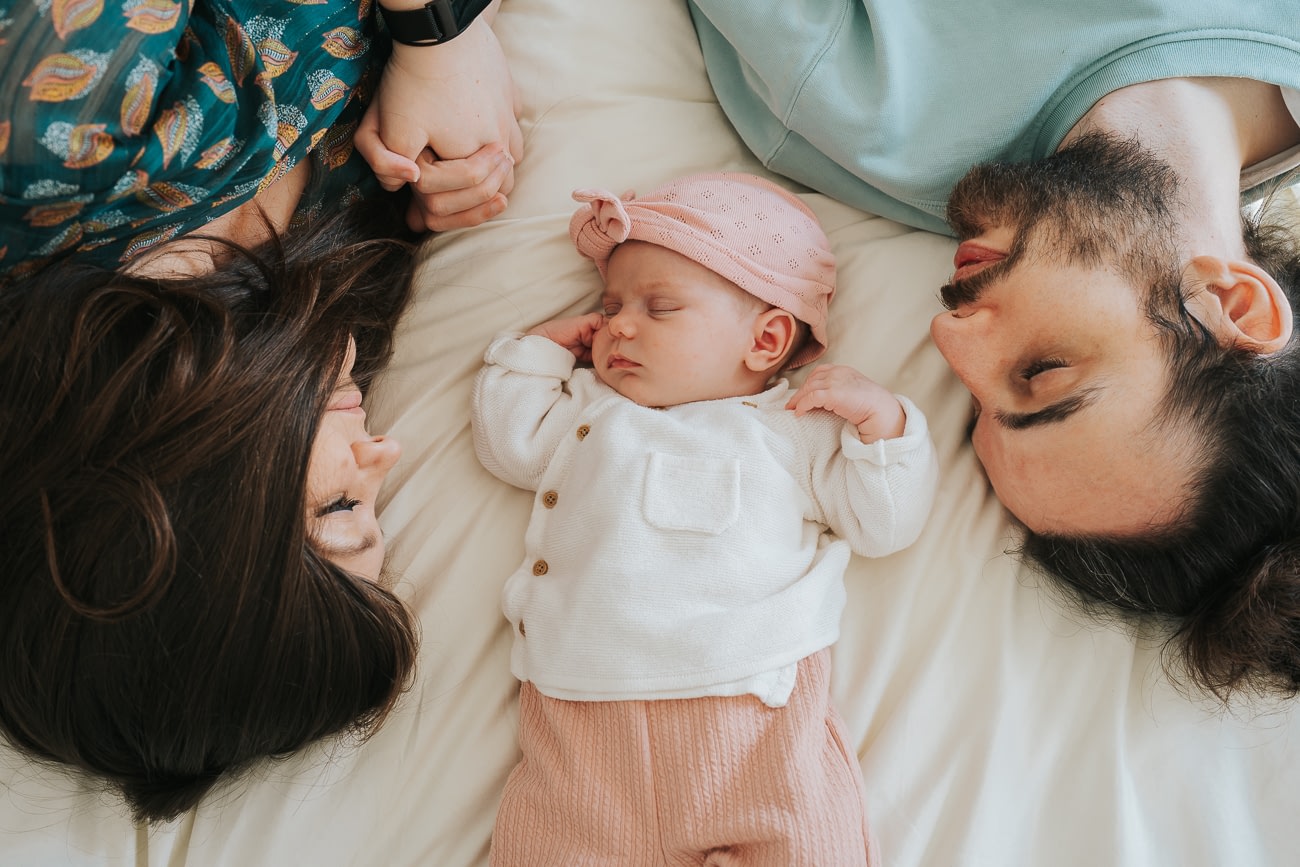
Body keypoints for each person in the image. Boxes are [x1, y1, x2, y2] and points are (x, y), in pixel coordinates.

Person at [683, 0, 1300, 699]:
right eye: (1044, 371)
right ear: (1234, 305)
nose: (949, 336)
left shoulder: (865, 101)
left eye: (977, 403)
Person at [0, 0, 520, 822]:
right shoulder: (343, 281)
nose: (383, 455)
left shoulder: (45, 162)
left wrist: (438, 37)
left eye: (343, 507)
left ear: (193, 497)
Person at [470, 173, 939, 864]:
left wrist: (887, 429)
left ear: (767, 337)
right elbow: (509, 444)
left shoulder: (795, 428)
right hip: (581, 737)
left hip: (757, 729)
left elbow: (884, 523)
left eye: (660, 306)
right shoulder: (592, 415)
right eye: (612, 304)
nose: (620, 323)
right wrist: (540, 351)